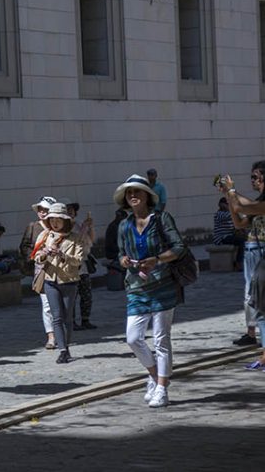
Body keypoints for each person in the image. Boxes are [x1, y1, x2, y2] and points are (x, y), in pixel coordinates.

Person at [116, 174, 186, 408]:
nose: (133, 196)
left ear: (148, 196)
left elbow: (179, 247)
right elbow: (119, 252)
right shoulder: (124, 224)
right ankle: (155, 376)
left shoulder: (161, 219)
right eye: (129, 193)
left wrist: (157, 259)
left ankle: (162, 389)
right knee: (133, 338)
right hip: (136, 287)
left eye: (137, 191)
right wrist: (124, 260)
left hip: (163, 285)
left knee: (161, 340)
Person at [219, 163, 265, 348]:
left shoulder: (260, 204)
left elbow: (244, 207)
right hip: (251, 251)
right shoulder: (257, 201)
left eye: (255, 177)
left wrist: (232, 191)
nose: (252, 180)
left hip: (261, 251)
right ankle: (251, 333)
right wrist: (228, 196)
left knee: (259, 298)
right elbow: (239, 222)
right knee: (250, 297)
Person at [32, 203, 85, 364]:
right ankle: (62, 350)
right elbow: (36, 257)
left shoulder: (75, 238)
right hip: (50, 281)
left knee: (68, 317)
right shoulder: (45, 236)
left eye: (59, 219)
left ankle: (67, 346)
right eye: (52, 219)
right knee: (56, 317)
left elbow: (78, 261)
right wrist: (44, 254)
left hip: (69, 281)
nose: (55, 223)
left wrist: (62, 255)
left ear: (66, 221)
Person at [20, 195, 57, 349]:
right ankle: (51, 336)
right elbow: (24, 246)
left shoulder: (59, 226)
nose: (42, 212)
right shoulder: (33, 227)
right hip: (41, 268)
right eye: (40, 209)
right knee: (46, 304)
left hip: (59, 268)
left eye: (45, 210)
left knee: (60, 304)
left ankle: (62, 331)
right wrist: (36, 254)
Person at [64, 201, 97, 330]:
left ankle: (85, 319)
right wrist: (84, 229)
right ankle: (71, 321)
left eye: (72, 209)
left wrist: (90, 227)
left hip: (82, 264)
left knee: (86, 293)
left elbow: (90, 241)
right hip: (70, 266)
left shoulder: (77, 225)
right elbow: (74, 243)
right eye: (67, 209)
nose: (70, 212)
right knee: (72, 295)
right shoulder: (63, 227)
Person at [213, 196, 244, 269]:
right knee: (241, 241)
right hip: (221, 238)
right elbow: (230, 215)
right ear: (221, 205)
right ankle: (238, 262)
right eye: (227, 204)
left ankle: (244, 261)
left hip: (229, 236)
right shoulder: (219, 214)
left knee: (246, 240)